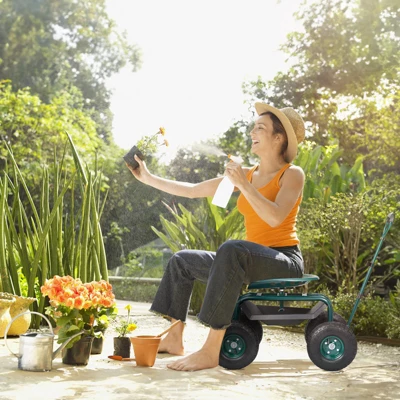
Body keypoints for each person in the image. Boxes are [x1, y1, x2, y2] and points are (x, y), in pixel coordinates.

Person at [126, 102, 306, 371]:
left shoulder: (291, 174)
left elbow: (275, 217)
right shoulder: (248, 174)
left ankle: (210, 351)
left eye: (260, 128)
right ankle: (174, 338)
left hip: (284, 259)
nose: (252, 133)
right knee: (182, 261)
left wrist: (243, 184)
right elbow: (193, 190)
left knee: (231, 249)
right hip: (247, 260)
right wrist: (148, 178)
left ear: (278, 137)